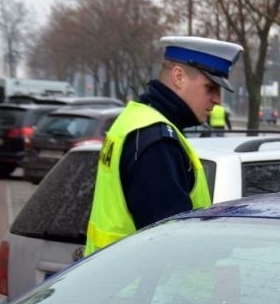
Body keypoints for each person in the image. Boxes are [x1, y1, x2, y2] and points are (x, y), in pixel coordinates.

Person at [84, 36, 243, 256]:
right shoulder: (158, 142)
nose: (218, 100)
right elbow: (169, 247)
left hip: (115, 279)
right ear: (179, 77)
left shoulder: (136, 119)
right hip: (141, 287)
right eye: (211, 88)